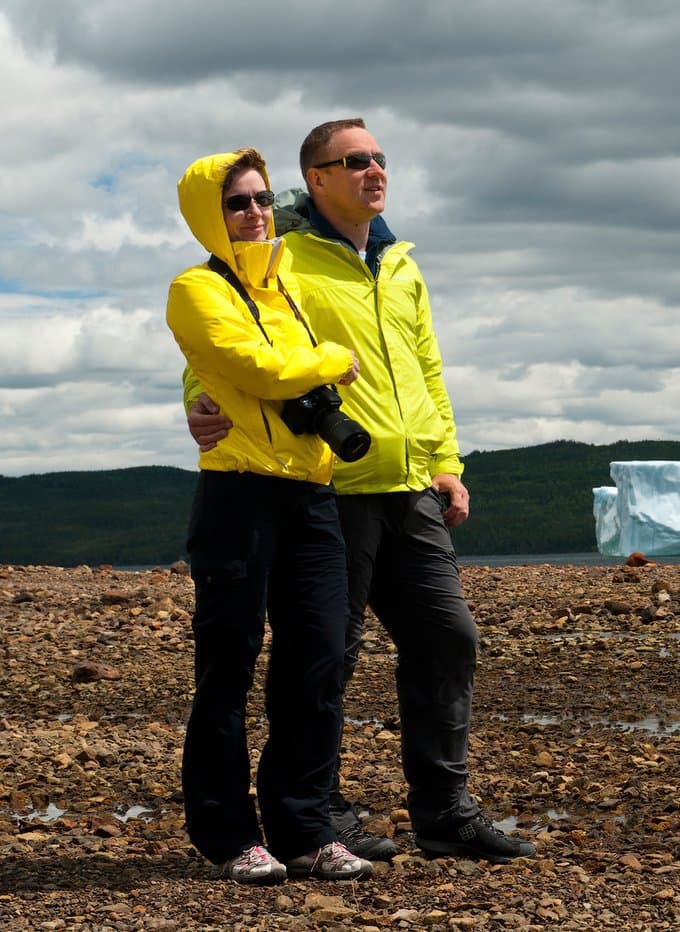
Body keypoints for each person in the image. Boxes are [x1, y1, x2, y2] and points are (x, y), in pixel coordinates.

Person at [186, 120, 536, 865]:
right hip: (332, 485)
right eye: (356, 161)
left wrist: (447, 459)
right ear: (316, 178)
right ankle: (321, 817)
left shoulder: (402, 262)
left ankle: (444, 814)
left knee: (449, 639)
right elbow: (233, 332)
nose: (375, 170)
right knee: (323, 659)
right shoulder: (287, 256)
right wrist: (200, 403)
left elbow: (426, 366)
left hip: (410, 485)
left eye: (380, 159)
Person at [166, 148, 372, 884]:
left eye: (260, 201)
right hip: (237, 495)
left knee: (315, 663)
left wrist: (317, 364)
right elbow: (251, 367)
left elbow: (286, 370)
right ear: (209, 217)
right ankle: (228, 836)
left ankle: (304, 828)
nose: (255, 214)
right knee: (227, 669)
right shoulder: (194, 289)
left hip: (310, 497)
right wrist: (328, 361)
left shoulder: (289, 291)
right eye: (237, 204)